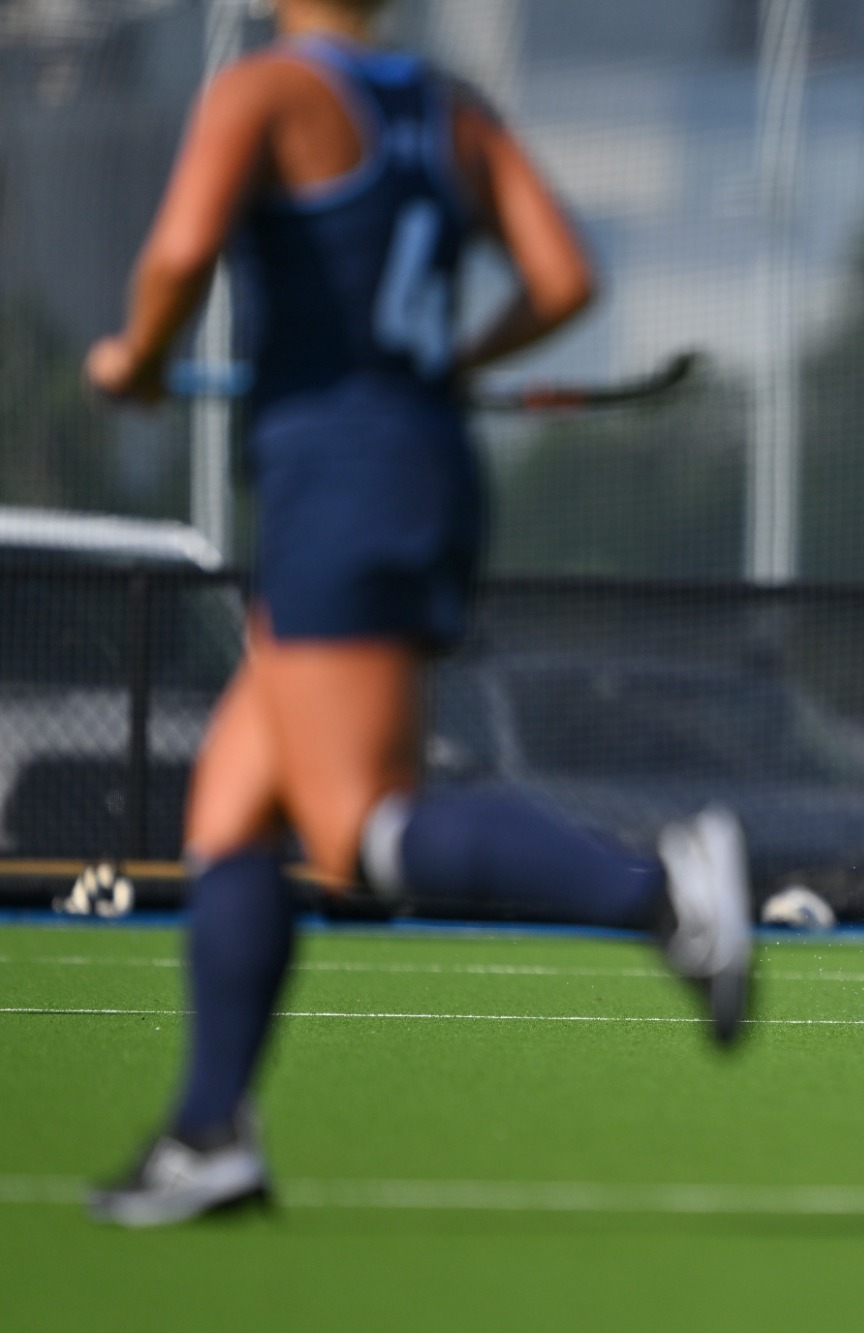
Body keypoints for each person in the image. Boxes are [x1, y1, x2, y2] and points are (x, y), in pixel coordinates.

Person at [82, 0, 752, 1228]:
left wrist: (137, 359)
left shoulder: (266, 91)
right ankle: (208, 1131)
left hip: (336, 478)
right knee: (233, 806)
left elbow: (179, 256)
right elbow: (562, 276)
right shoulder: (448, 110)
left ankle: (656, 890)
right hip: (421, 464)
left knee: (356, 827)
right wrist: (450, 362)